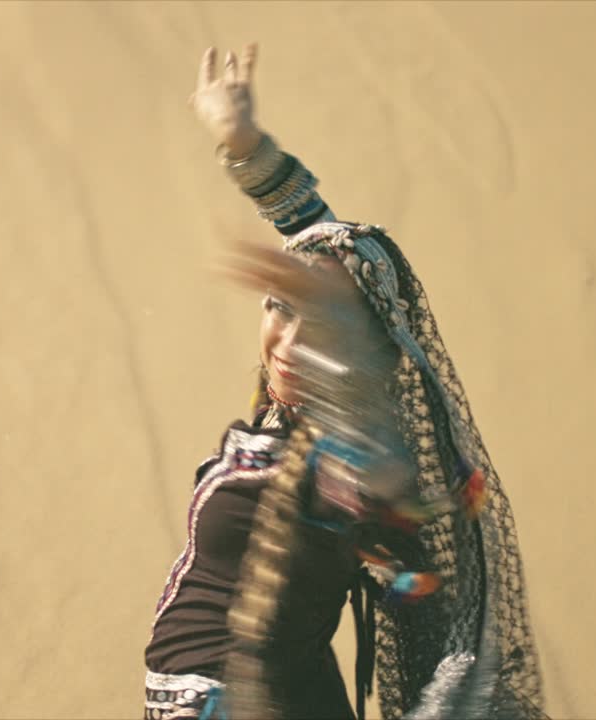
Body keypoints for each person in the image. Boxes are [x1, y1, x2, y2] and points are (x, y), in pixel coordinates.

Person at [142, 46, 545, 720]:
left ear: (368, 354)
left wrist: (338, 332)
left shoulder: (361, 456)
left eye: (325, 330)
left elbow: (368, 444)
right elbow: (321, 237)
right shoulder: (296, 425)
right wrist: (243, 143)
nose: (290, 345)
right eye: (280, 307)